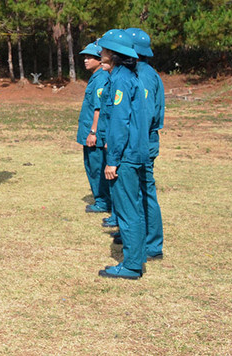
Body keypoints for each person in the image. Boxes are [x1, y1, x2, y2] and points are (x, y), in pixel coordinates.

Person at [96, 29, 152, 279]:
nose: (100, 53)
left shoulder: (121, 80)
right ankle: (136, 260)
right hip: (134, 153)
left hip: (125, 156)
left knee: (128, 210)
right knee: (134, 208)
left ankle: (131, 265)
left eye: (105, 50)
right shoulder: (126, 77)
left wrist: (113, 161)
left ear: (115, 55)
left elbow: (120, 124)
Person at [126, 28, 165, 261]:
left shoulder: (145, 75)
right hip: (138, 142)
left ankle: (152, 244)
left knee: (145, 191)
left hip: (142, 143)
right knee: (136, 191)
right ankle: (139, 234)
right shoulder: (138, 72)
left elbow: (145, 114)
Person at [76, 43, 111, 214]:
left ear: (99, 59)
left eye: (90, 57)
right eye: (84, 57)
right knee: (92, 166)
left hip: (94, 133)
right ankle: (102, 199)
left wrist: (93, 132)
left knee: (96, 167)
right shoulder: (96, 77)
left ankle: (103, 201)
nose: (86, 60)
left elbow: (99, 108)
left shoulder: (101, 79)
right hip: (89, 130)